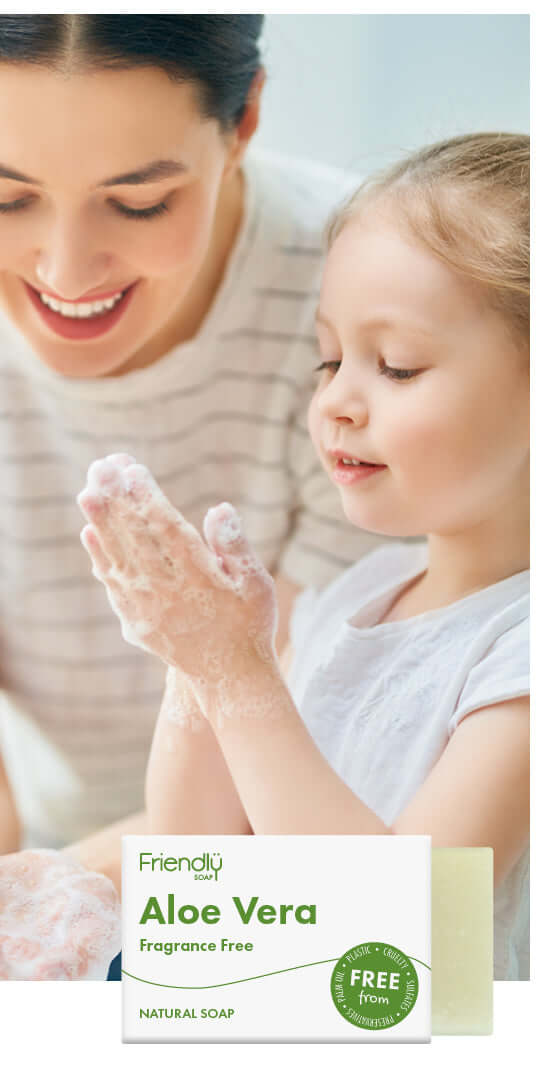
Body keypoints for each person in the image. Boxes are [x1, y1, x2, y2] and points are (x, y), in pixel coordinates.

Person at [0, 15, 384, 977]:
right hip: (79, 868)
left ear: (243, 122)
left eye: (141, 203)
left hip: (334, 874)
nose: (66, 273)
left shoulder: (367, 300)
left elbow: (302, 757)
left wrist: (49, 895)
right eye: (0, 193)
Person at [77, 132, 529, 979]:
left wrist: (241, 678)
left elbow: (407, 949)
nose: (335, 403)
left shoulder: (520, 659)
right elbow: (198, 868)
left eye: (395, 366)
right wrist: (199, 663)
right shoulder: (366, 592)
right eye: (330, 359)